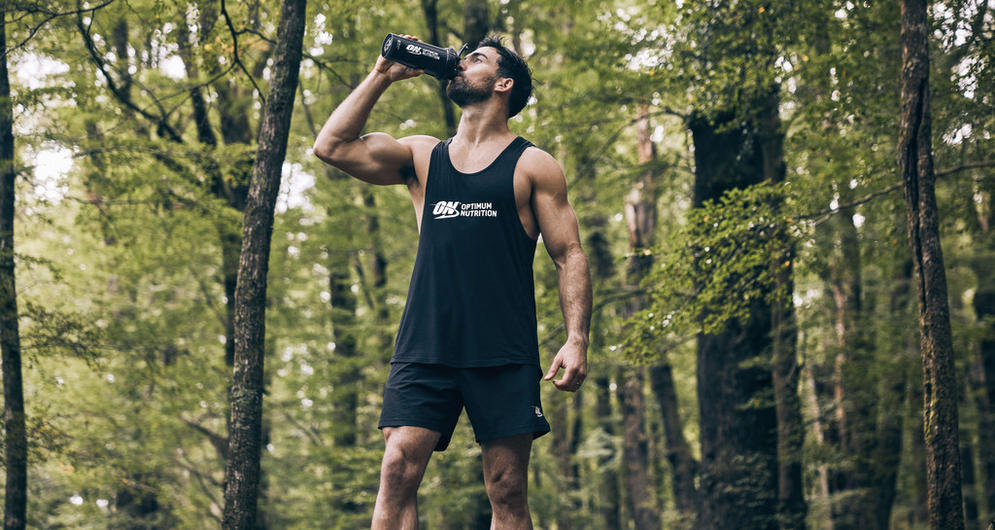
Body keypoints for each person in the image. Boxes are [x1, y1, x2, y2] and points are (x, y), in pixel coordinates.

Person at [312, 33, 592, 530]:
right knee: (397, 467)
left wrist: (576, 339)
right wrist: (382, 75)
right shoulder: (423, 156)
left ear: (503, 83)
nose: (461, 64)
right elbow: (331, 146)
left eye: (477, 59)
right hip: (426, 344)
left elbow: (568, 253)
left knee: (506, 488)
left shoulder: (532, 164)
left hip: (503, 349)